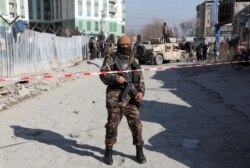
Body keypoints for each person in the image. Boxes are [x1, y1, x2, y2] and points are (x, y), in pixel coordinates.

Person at [99, 35, 146, 165]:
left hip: (131, 99)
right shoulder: (111, 59)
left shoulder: (135, 60)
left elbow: (140, 79)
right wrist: (116, 78)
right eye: (122, 45)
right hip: (115, 99)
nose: (125, 46)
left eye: (127, 44)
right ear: (118, 45)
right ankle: (108, 151)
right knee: (111, 126)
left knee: (137, 125)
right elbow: (103, 75)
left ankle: (139, 151)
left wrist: (141, 92)